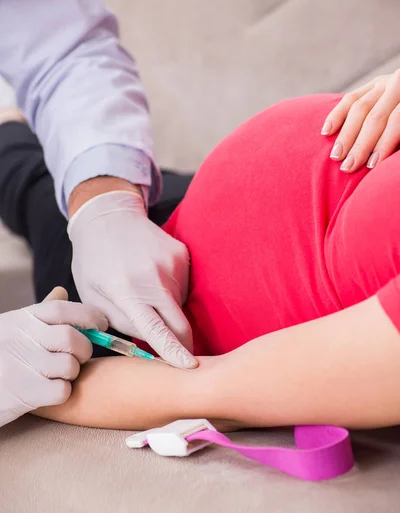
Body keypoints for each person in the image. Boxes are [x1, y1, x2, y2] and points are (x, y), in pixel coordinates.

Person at [1, 71, 400, 432]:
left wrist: (21, 373)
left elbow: (205, 388)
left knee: (32, 187)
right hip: (201, 205)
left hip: (135, 302)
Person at [0, 1, 199, 426]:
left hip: (178, 206)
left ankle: (8, 133)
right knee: (35, 184)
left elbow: (62, 52)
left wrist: (102, 202)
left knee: (40, 187)